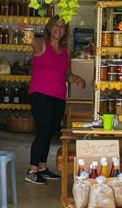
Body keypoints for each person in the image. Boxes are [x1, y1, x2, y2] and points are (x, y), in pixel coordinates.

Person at [25, 15, 86, 185]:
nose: (59, 29)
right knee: (43, 131)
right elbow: (29, 39)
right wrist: (25, 28)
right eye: (56, 26)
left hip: (59, 96)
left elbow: (66, 74)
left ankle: (42, 168)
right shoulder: (41, 45)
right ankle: (32, 170)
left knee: (51, 131)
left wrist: (77, 79)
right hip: (40, 94)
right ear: (50, 28)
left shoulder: (65, 51)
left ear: (65, 30)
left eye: (62, 26)